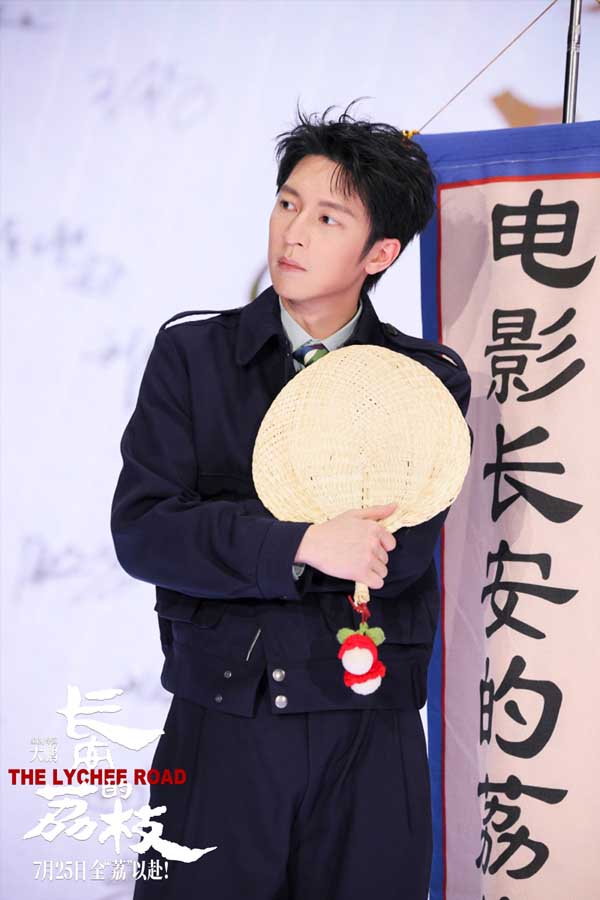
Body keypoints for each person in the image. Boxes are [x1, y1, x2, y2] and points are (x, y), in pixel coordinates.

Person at [110, 98, 473, 899]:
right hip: (223, 723)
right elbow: (145, 531)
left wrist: (251, 543)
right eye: (287, 204)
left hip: (368, 729)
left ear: (381, 252)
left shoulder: (427, 381)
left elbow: (400, 552)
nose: (293, 233)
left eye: (328, 218)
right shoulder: (192, 355)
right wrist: (302, 543)